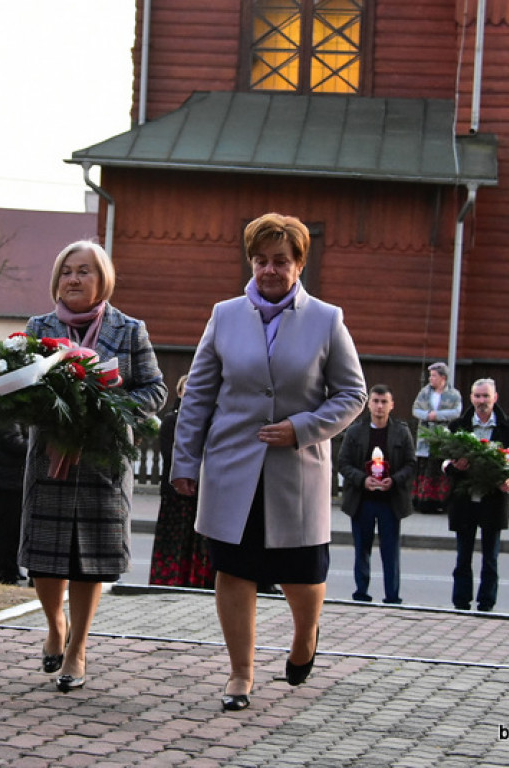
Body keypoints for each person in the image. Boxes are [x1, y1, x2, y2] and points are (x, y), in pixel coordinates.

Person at [171, 212, 366, 711]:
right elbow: (198, 395)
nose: (269, 270)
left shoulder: (327, 319)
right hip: (232, 466)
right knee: (233, 570)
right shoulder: (225, 314)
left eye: (281, 261)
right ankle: (241, 673)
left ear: (299, 263)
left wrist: (302, 428)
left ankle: (305, 636)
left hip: (296, 472)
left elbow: (351, 394)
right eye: (260, 260)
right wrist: (186, 461)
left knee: (301, 574)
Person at [21, 240, 167, 693]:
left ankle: (78, 648)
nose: (74, 279)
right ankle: (55, 625)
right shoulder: (38, 327)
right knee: (46, 561)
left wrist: (109, 406)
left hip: (101, 462)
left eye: (84, 271)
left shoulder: (128, 330)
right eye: (67, 271)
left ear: (102, 279)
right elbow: (18, 388)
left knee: (87, 563)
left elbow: (155, 390)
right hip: (51, 460)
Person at [446, 378, 509, 612]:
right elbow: (445, 464)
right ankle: (461, 601)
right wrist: (456, 468)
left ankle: (487, 602)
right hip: (465, 500)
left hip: (494, 500)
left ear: (495, 398)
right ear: (471, 398)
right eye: (477, 396)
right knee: (463, 556)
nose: (481, 401)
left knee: (491, 557)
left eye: (485, 396)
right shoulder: (458, 427)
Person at [338, 384, 416, 604]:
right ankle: (361, 593)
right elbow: (343, 463)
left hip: (390, 502)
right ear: (368, 404)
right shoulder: (355, 431)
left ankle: (392, 596)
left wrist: (395, 480)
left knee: (390, 552)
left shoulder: (401, 431)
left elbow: (411, 464)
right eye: (375, 401)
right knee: (362, 549)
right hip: (362, 501)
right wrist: (363, 480)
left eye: (384, 402)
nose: (379, 406)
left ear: (392, 405)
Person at [148, 374, 214, 589]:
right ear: (179, 393)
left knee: (198, 542)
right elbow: (171, 453)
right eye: (187, 390)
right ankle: (169, 579)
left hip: (203, 492)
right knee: (175, 540)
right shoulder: (171, 420)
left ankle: (198, 580)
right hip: (175, 494)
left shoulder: (209, 419)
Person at [411, 362, 462, 513]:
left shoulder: (453, 394)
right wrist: (427, 415)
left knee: (440, 469)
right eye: (430, 375)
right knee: (424, 467)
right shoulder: (424, 392)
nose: (430, 379)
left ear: (443, 377)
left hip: (442, 439)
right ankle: (422, 500)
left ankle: (440, 502)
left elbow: (456, 412)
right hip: (425, 439)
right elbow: (415, 409)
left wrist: (438, 416)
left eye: (433, 375)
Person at [0, 420, 28, 584]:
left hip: (14, 476)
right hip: (8, 477)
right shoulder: (7, 411)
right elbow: (14, 443)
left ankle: (10, 568)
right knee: (6, 526)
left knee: (14, 527)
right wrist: (40, 443)